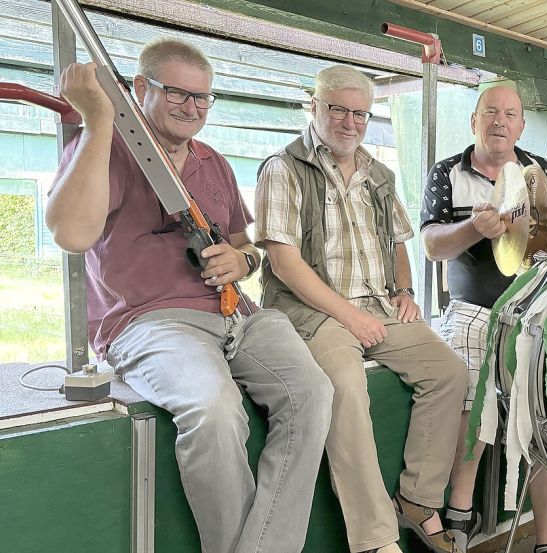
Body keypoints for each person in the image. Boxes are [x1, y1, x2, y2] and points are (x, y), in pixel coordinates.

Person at [46, 38, 332, 553]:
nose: (193, 108)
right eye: (178, 93)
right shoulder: (103, 148)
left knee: (313, 393)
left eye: (203, 98)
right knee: (215, 410)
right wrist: (95, 122)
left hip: (239, 316)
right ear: (140, 88)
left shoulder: (214, 162)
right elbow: (71, 232)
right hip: (152, 323)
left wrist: (241, 261)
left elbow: (247, 247)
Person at [254, 65, 468, 553]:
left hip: (378, 304)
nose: (350, 122)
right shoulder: (283, 168)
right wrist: (349, 317)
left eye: (360, 113)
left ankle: (416, 501)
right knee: (345, 387)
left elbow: (397, 243)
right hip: (314, 310)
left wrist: (406, 291)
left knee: (451, 371)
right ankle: (375, 537)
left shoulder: (378, 174)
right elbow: (284, 264)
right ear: (315, 107)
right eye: (338, 110)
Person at [420, 85, 547, 553]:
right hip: (471, 312)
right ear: (474, 120)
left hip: (534, 310)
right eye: (491, 112)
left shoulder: (538, 171)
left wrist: (542, 233)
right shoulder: (447, 171)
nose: (500, 121)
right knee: (470, 410)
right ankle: (460, 522)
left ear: (522, 125)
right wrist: (473, 228)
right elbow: (431, 244)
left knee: (542, 417)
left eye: (510, 114)